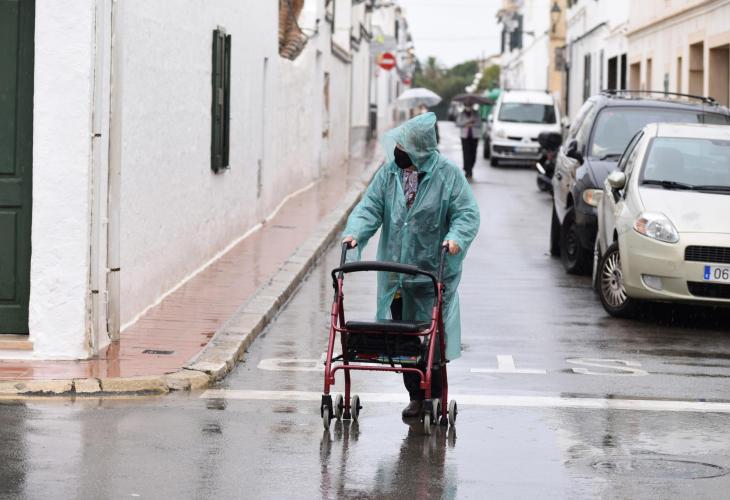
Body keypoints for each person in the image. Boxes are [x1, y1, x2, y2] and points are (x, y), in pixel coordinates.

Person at [342, 112, 480, 418]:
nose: (398, 152)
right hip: (397, 275)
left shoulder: (447, 176)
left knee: (432, 341)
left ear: (419, 148)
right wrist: (355, 234)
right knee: (404, 340)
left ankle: (435, 396)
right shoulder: (389, 174)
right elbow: (370, 208)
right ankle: (415, 396)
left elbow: (466, 214)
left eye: (404, 146)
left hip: (432, 274)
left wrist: (455, 238)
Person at [456, 103, 481, 179]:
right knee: (466, 154)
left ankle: (468, 168)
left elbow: (479, 124)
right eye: (467, 105)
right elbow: (458, 123)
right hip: (465, 137)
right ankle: (468, 171)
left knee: (473, 154)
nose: (468, 107)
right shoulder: (461, 114)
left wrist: (472, 125)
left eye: (469, 105)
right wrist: (468, 121)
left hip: (474, 137)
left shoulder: (476, 113)